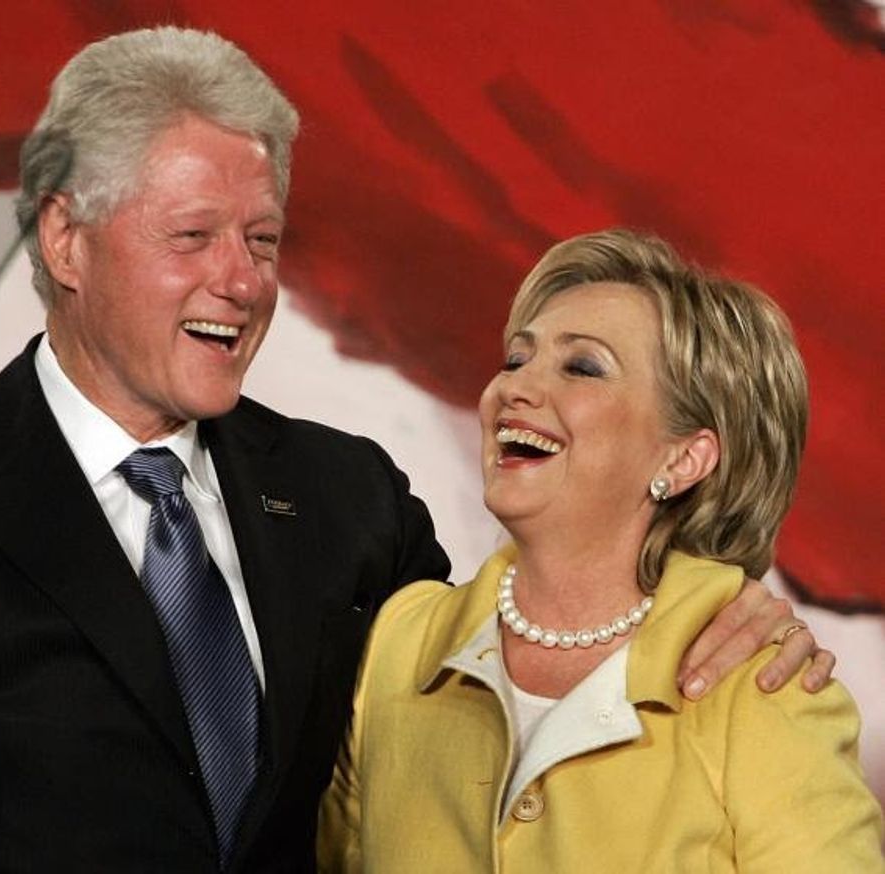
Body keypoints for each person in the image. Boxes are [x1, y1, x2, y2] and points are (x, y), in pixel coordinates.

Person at [0, 28, 833, 874]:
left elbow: (500, 662)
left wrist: (708, 599)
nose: (240, 280)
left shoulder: (347, 497)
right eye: (192, 236)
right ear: (67, 241)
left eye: (261, 239)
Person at [318, 229, 884, 872]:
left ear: (685, 457)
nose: (516, 389)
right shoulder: (402, 642)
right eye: (516, 360)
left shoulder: (762, 687)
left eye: (582, 367)